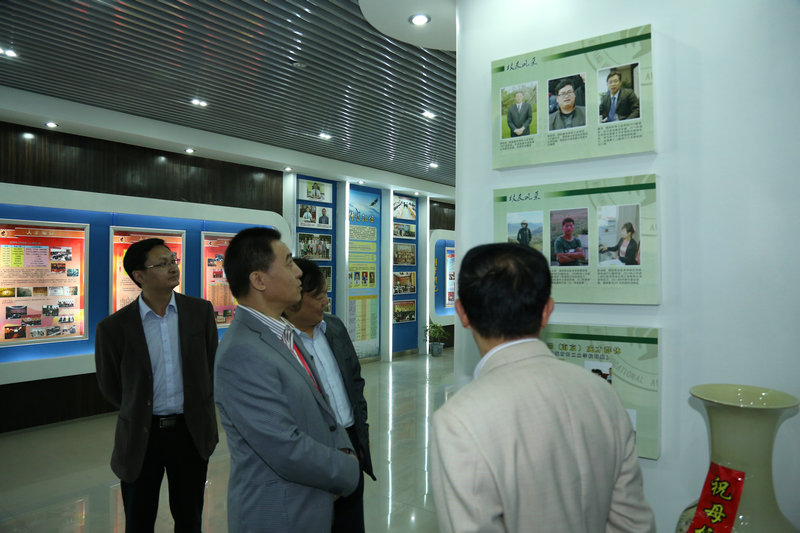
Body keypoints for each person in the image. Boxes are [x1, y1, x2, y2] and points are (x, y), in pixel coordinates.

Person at [430, 243, 656, 533]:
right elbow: (634, 524)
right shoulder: (601, 392)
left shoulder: (458, 420)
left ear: (461, 313)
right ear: (547, 311)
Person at [213, 227, 359, 533]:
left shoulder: (283, 333)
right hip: (281, 515)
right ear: (259, 280)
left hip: (310, 503)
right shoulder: (242, 352)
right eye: (289, 262)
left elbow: (323, 409)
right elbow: (284, 447)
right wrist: (347, 469)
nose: (298, 273)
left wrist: (344, 448)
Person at [95, 238, 218, 533]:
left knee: (190, 518)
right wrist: (138, 406)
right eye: (162, 264)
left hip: (190, 432)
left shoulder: (200, 312)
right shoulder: (113, 328)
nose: (173, 267)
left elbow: (211, 364)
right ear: (139, 276)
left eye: (172, 260)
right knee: (139, 518)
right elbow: (111, 386)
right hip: (142, 435)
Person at [284, 258, 375, 533]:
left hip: (351, 442)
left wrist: (359, 433)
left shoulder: (334, 327)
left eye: (326, 293)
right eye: (318, 295)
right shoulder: (281, 344)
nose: (326, 301)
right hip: (314, 451)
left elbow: (355, 381)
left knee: (351, 522)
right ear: (294, 298)